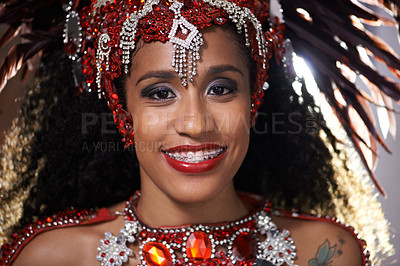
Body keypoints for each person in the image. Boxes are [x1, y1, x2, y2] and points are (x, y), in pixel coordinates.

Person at [0, 0, 398, 265]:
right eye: (160, 93)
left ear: (255, 98)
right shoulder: (55, 257)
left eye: (221, 88)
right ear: (122, 109)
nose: (195, 124)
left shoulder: (326, 252)